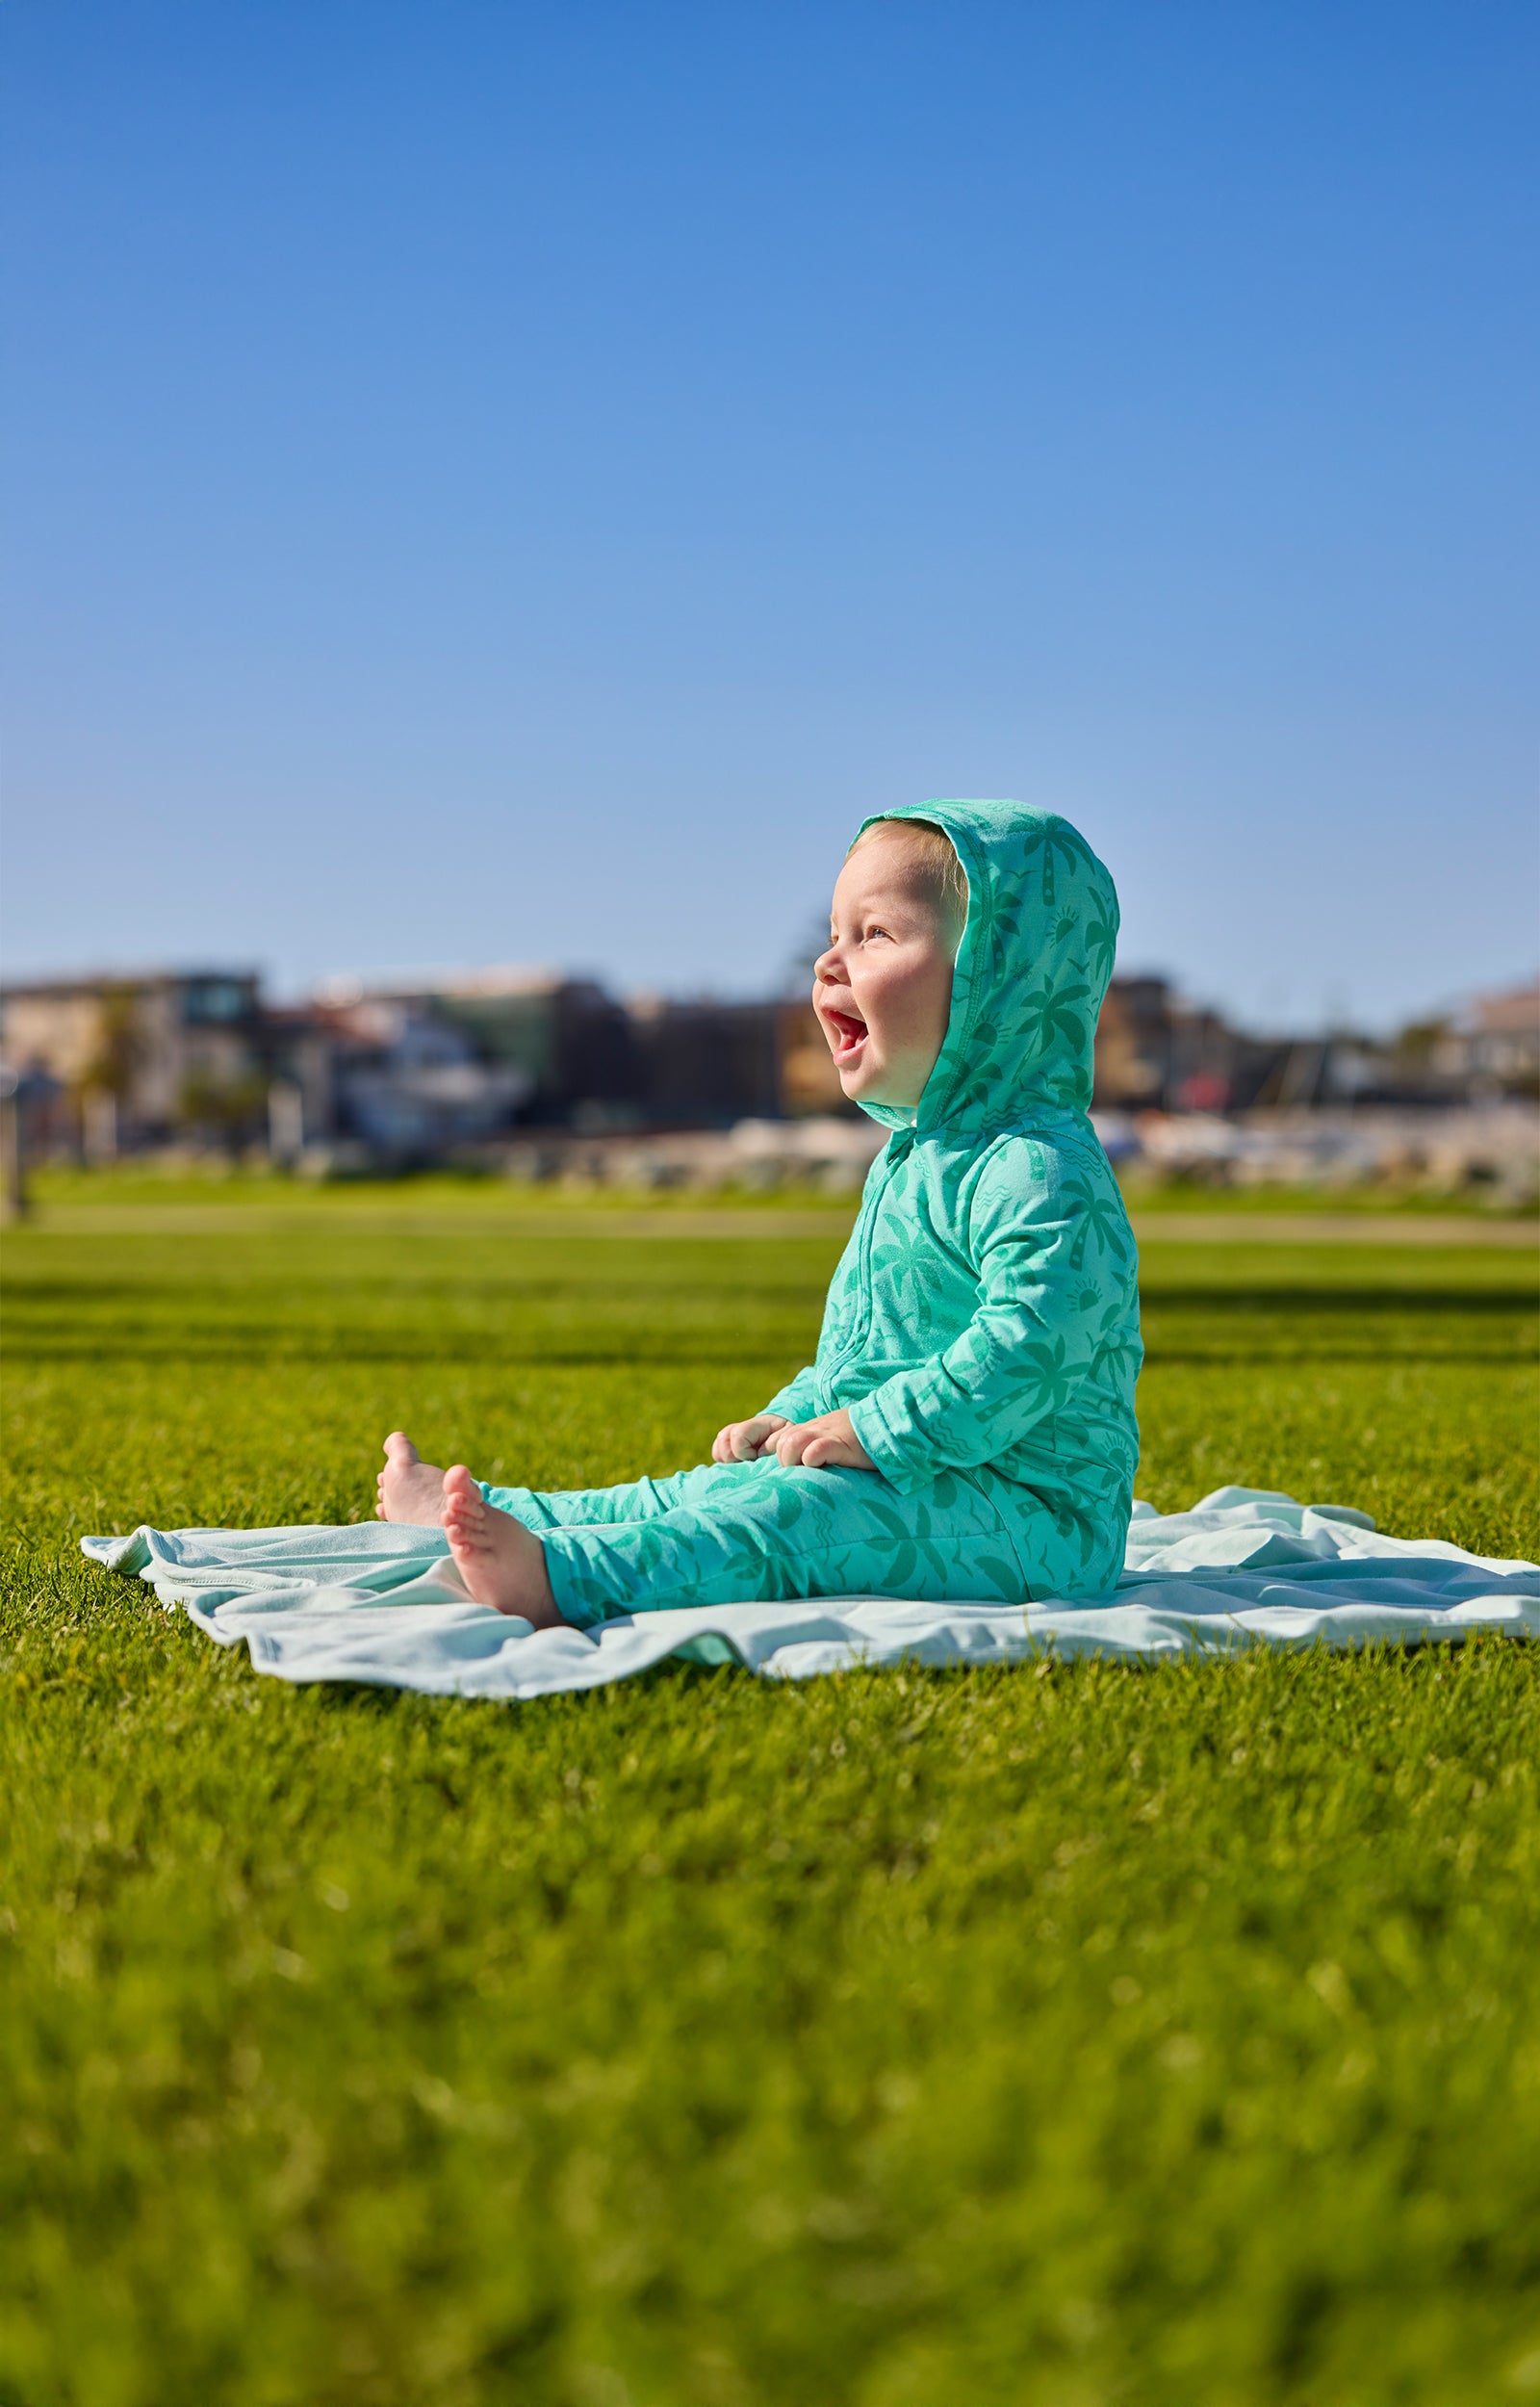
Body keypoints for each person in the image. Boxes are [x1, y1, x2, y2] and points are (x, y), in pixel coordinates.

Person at [377, 800, 1142, 1626]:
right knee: (723, 1490)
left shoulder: (1039, 1167)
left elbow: (1036, 1343)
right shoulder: (917, 1160)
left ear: (1001, 974)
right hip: (918, 1471)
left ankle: (565, 1577)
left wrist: (878, 1431)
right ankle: (507, 1513)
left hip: (1027, 1515)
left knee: (794, 1520)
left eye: (875, 935)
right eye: (833, 933)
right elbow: (868, 1349)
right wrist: (801, 1415)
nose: (827, 964)